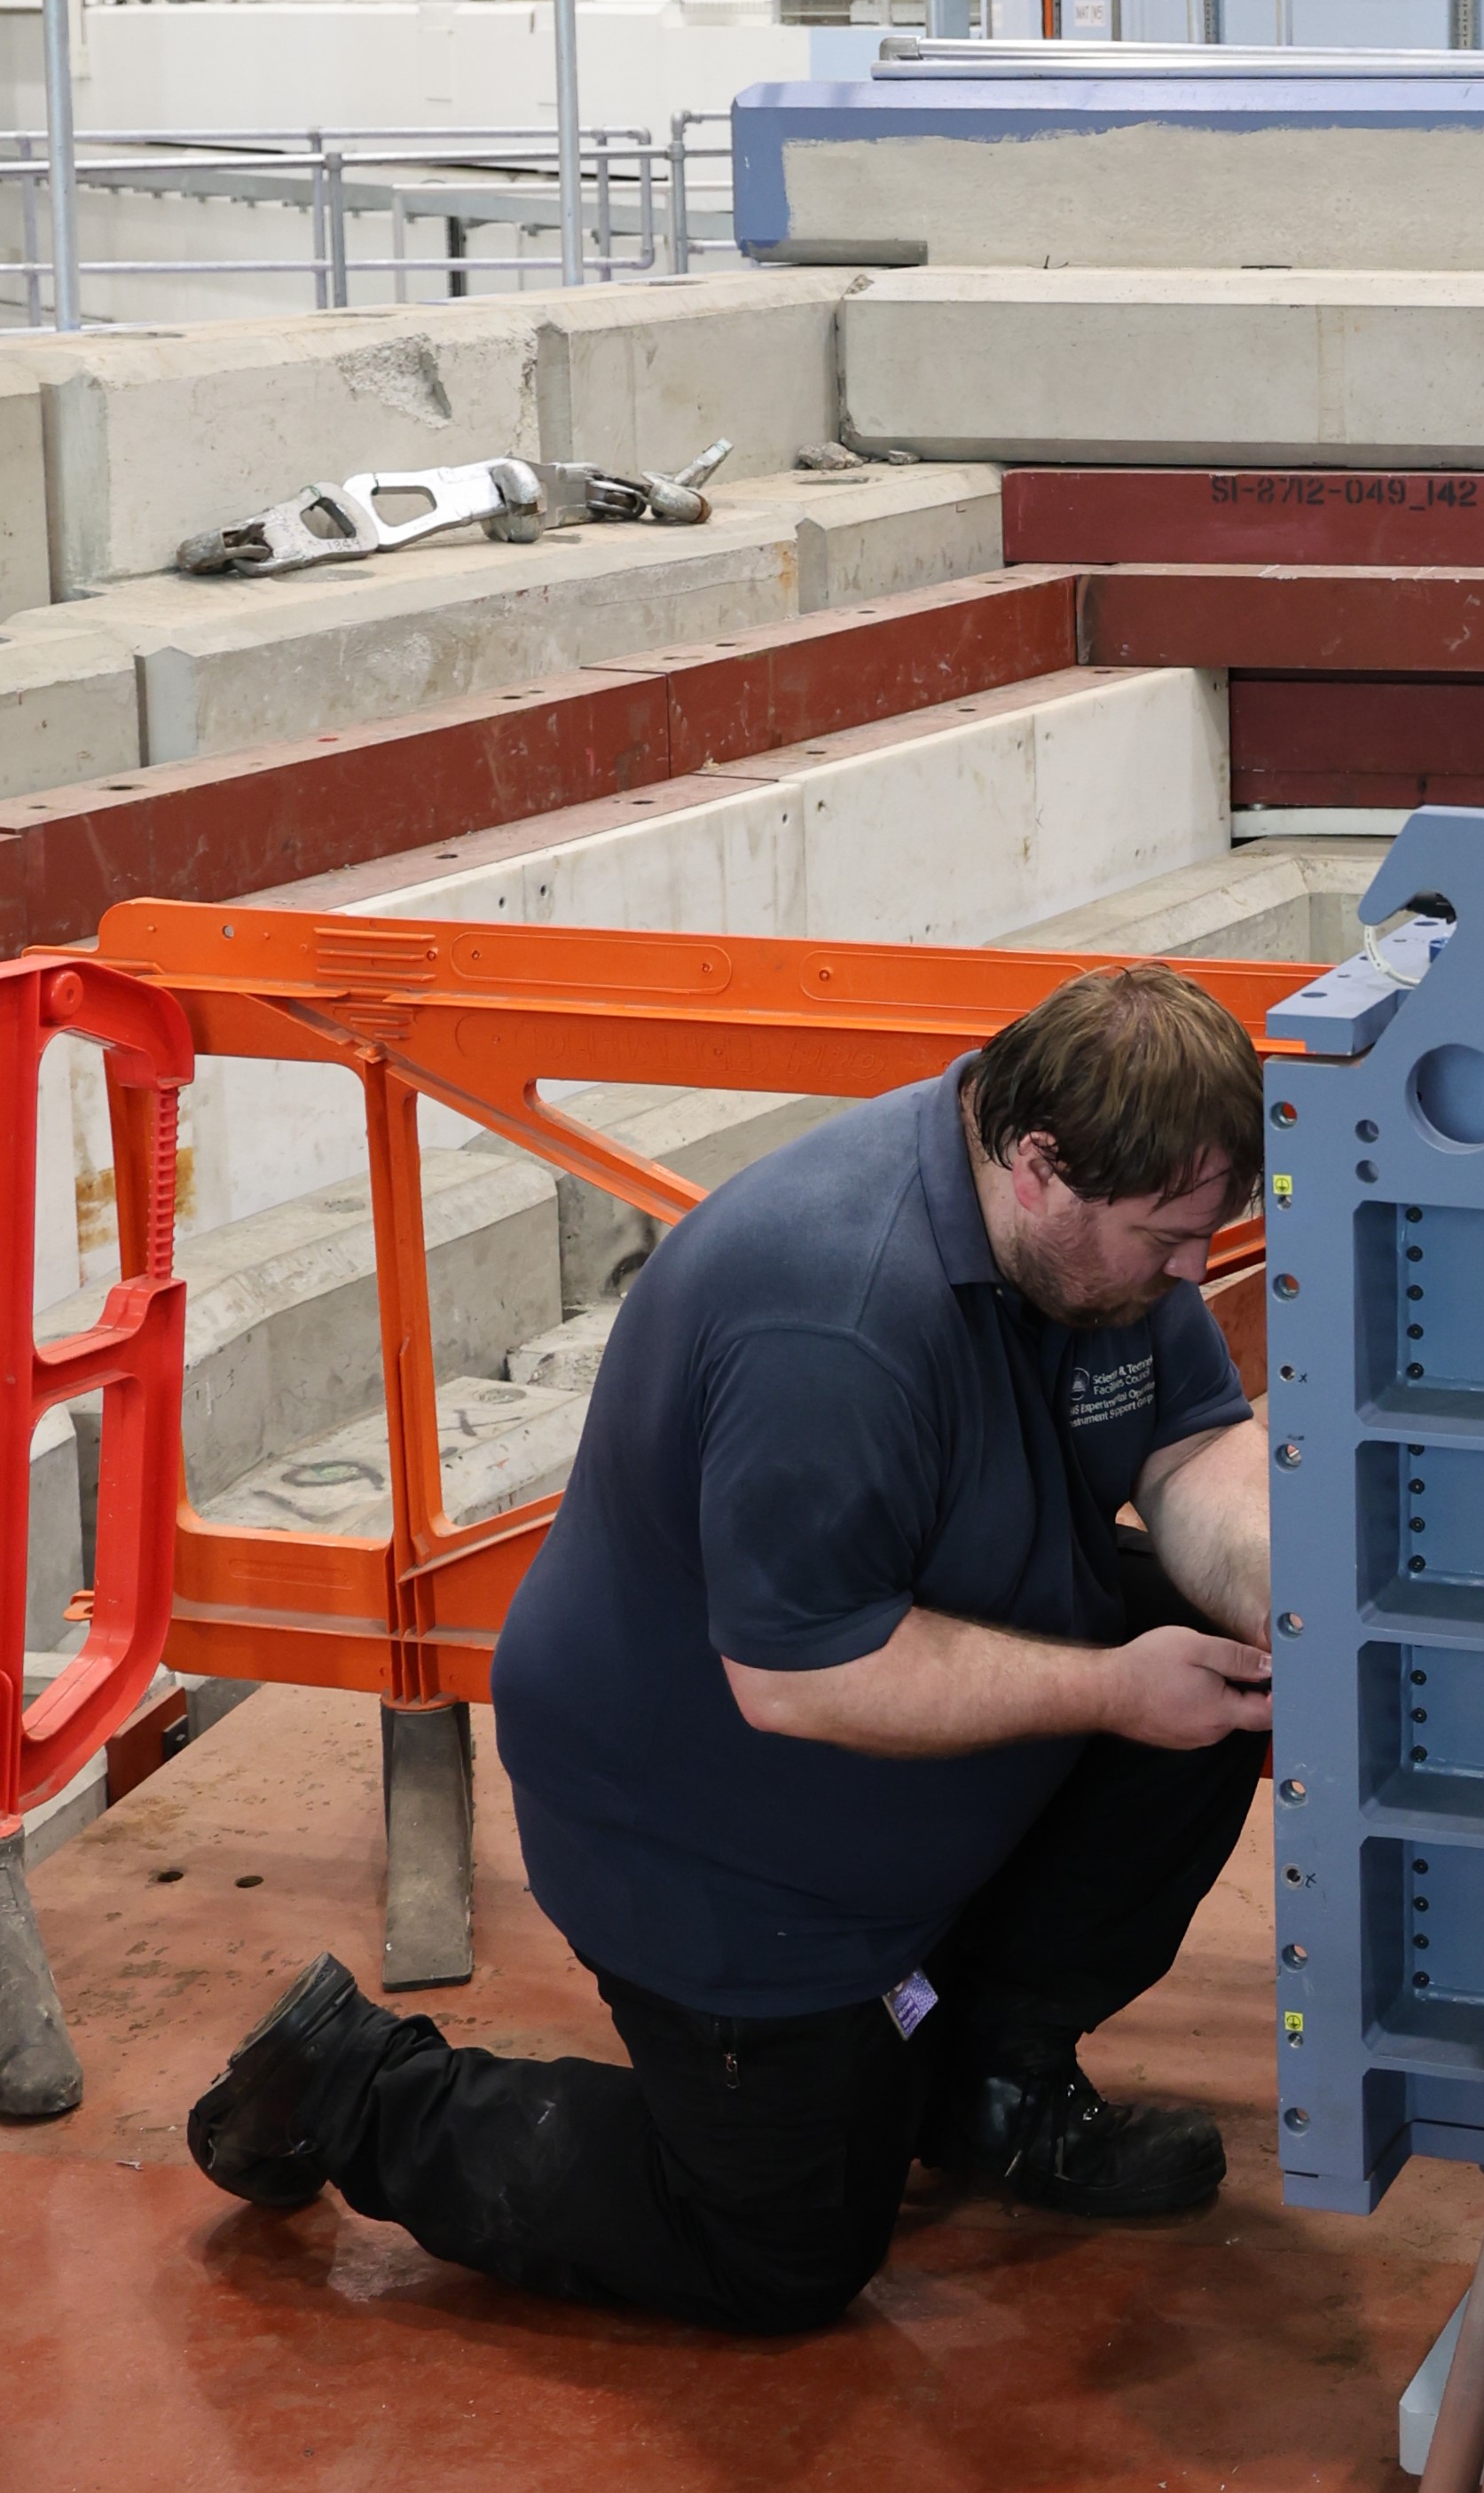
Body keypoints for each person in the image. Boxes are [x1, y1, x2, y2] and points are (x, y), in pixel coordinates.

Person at [184, 961, 1275, 2331]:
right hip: (713, 1827)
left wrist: (1286, 1600)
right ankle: (357, 2087)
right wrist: (1114, 1687)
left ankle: (986, 2073)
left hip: (907, 1717)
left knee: (1229, 1677)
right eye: (1168, 1238)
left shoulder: (1084, 1226)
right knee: (779, 2249)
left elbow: (1190, 1444)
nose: (1192, 1271)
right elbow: (804, 1672)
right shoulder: (832, 1314)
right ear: (1040, 1162)